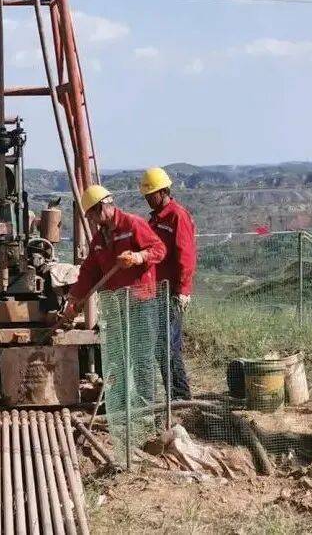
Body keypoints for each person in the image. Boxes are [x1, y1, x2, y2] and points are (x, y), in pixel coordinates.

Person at [60, 186, 167, 433]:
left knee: (141, 359)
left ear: (102, 207)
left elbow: (159, 250)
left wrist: (138, 257)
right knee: (119, 358)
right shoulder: (100, 239)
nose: (91, 220)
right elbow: (89, 272)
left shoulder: (132, 224)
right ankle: (121, 407)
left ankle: (146, 414)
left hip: (141, 302)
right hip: (116, 305)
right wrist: (74, 301)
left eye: (92, 214)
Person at [141, 167, 196, 400]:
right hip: (156, 292)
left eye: (150, 194)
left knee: (168, 347)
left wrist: (183, 290)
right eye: (145, 195)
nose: (147, 199)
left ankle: (180, 397)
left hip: (171, 293)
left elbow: (186, 255)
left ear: (163, 191)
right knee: (162, 347)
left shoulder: (177, 216)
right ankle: (175, 397)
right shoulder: (155, 219)